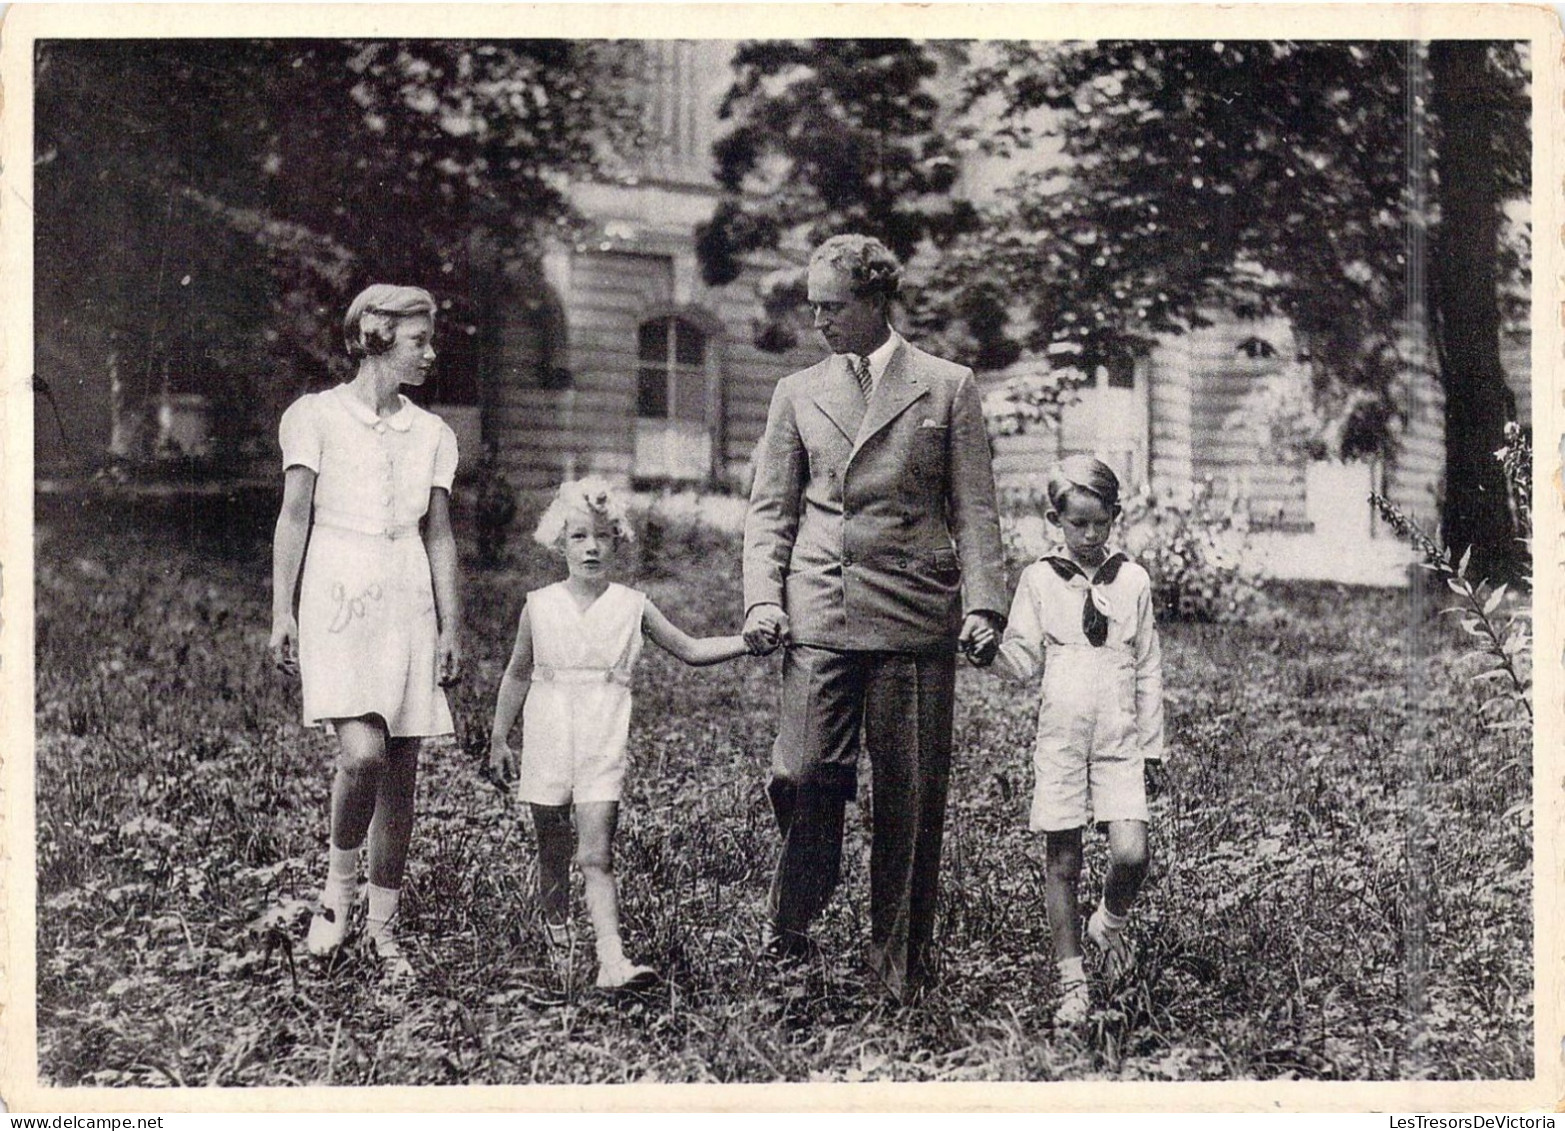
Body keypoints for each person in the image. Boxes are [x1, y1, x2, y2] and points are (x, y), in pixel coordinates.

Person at [742, 233, 1009, 1001]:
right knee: (801, 774)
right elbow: (770, 511)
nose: (817, 320)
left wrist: (986, 604)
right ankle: (793, 915)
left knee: (909, 799)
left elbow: (975, 505)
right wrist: (764, 595)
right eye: (812, 306)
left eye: (831, 306)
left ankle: (898, 962)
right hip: (820, 609)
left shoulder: (946, 385)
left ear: (873, 300)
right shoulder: (796, 392)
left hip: (914, 616)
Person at [487, 477, 756, 990]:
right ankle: (559, 942)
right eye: (579, 537)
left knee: (596, 854)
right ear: (558, 542)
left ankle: (613, 960)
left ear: (618, 540)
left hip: (601, 739)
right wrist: (500, 739)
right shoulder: (539, 605)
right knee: (552, 847)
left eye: (603, 536)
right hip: (548, 737)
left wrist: (749, 641)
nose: (591, 547)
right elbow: (518, 673)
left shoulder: (631, 606)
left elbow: (691, 649)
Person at [269, 284, 463, 978]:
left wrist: (449, 627)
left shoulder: (434, 433)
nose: (429, 353)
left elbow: (439, 535)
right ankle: (335, 895)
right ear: (375, 335)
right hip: (337, 589)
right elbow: (294, 515)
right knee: (363, 754)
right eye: (419, 341)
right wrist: (282, 609)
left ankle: (383, 928)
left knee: (402, 769)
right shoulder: (314, 417)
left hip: (407, 594)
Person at [992, 455, 1165, 1026]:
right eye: (1078, 524)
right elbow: (1021, 660)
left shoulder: (1133, 580)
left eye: (1100, 523)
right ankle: (1073, 980)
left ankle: (1108, 924)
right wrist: (987, 652)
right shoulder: (1039, 581)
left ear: (1115, 516)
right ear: (1055, 519)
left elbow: (1147, 667)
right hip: (1062, 739)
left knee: (1132, 853)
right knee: (1062, 857)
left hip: (1120, 739)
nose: (1090, 536)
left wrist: (1153, 746)